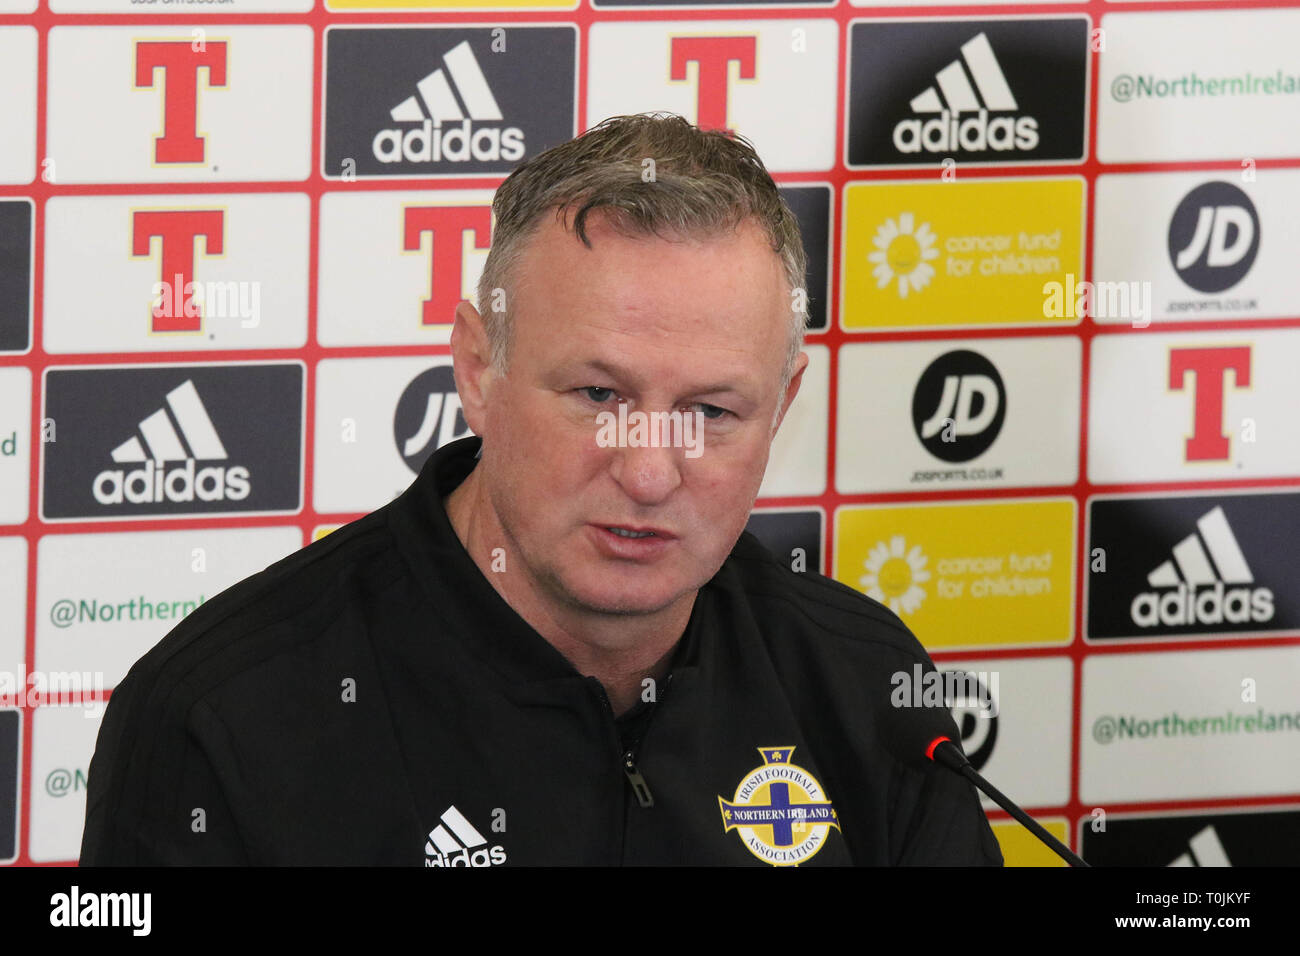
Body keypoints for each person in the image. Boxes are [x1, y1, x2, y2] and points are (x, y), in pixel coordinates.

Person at [80, 113, 1003, 866]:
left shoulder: (862, 682)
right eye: (598, 396)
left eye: (714, 412)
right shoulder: (225, 716)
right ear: (479, 371)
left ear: (783, 406)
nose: (648, 471)